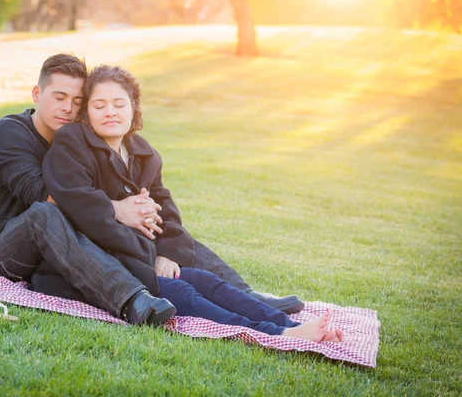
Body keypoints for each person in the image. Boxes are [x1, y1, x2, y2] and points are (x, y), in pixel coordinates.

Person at [0, 53, 303, 327]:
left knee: (152, 221)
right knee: (45, 214)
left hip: (63, 248)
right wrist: (118, 208)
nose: (68, 107)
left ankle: (245, 294)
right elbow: (50, 197)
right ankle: (133, 298)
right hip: (5, 254)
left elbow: (136, 205)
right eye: (59, 97)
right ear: (38, 94)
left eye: (77, 100)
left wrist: (144, 219)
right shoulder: (10, 133)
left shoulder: (81, 141)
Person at [42, 65, 343, 341]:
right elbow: (74, 198)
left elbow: (165, 208)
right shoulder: (72, 140)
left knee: (210, 282)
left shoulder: (143, 153)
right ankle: (274, 333)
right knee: (184, 292)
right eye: (99, 105)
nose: (110, 112)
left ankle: (290, 326)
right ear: (87, 113)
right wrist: (124, 217)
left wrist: (167, 252)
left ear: (133, 108)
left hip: (140, 258)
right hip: (97, 265)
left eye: (119, 104)